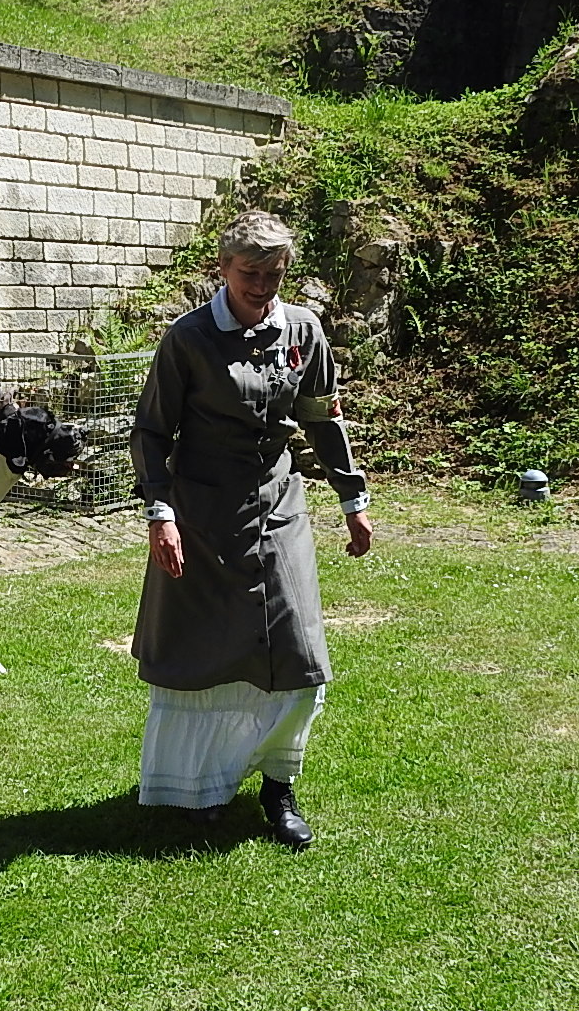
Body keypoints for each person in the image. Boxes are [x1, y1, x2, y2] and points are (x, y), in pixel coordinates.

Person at [130, 210, 374, 850]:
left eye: (273, 275)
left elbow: (322, 417)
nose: (262, 287)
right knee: (208, 655)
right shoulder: (188, 339)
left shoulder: (305, 330)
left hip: (280, 503)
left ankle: (277, 784)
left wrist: (353, 498)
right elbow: (152, 432)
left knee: (296, 650)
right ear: (223, 268)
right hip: (202, 515)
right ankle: (204, 787)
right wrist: (162, 514)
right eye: (250, 275)